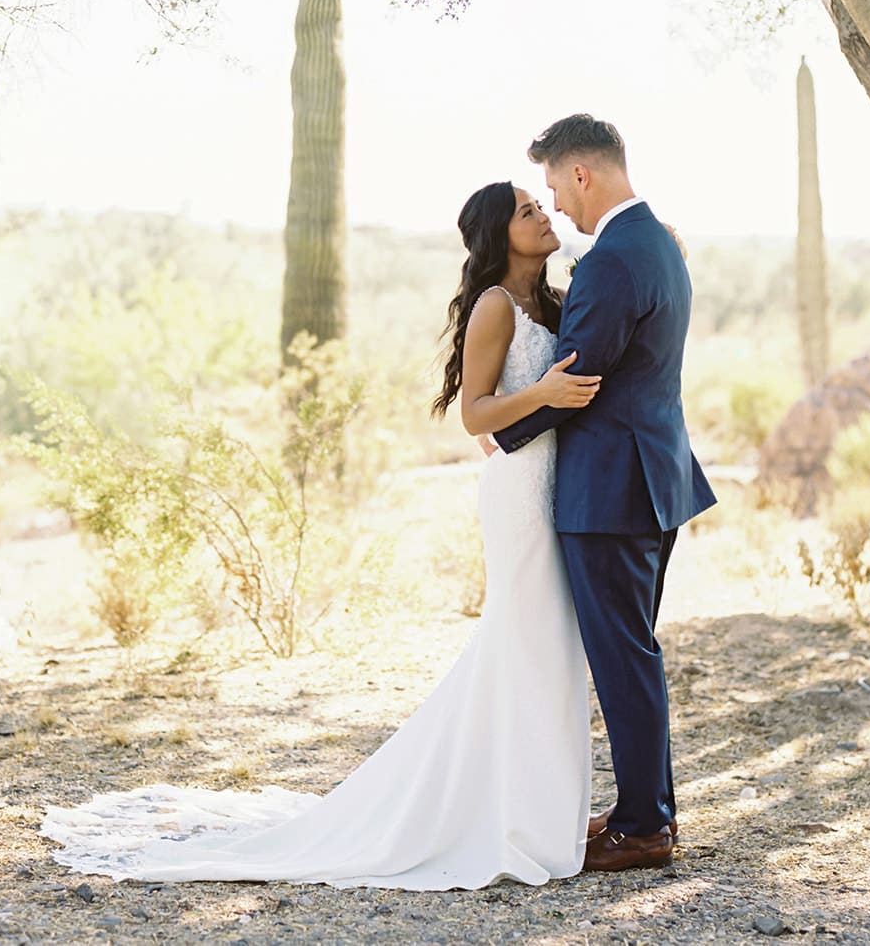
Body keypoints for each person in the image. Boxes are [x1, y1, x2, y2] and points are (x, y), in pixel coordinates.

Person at [40, 180, 603, 890]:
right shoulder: (494, 305)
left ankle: (541, 808)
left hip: (551, 489)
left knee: (552, 650)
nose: (544, 215)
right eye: (528, 211)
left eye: (540, 206)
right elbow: (475, 414)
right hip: (520, 499)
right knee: (525, 644)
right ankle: (503, 815)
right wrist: (544, 396)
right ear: (500, 234)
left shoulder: (547, 302)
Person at [491, 113, 716, 872]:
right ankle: (646, 812)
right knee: (633, 653)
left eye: (555, 186)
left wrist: (502, 434)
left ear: (582, 173)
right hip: (650, 475)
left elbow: (575, 382)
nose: (555, 203)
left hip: (612, 489)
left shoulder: (614, 259)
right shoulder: (654, 240)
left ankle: (646, 827)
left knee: (624, 658)